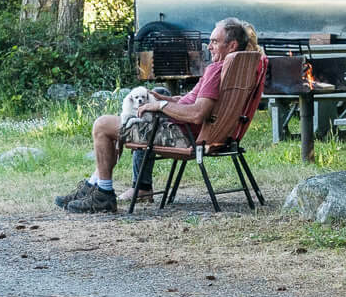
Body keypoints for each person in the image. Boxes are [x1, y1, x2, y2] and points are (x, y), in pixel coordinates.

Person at [57, 18, 255, 213]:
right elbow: (194, 102)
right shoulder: (234, 68)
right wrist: (163, 99)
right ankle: (93, 185)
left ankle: (103, 194)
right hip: (193, 132)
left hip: (181, 136)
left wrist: (159, 105)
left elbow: (196, 113)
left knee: (102, 125)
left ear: (232, 45)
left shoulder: (215, 70)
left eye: (214, 42)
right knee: (122, 121)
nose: (209, 46)